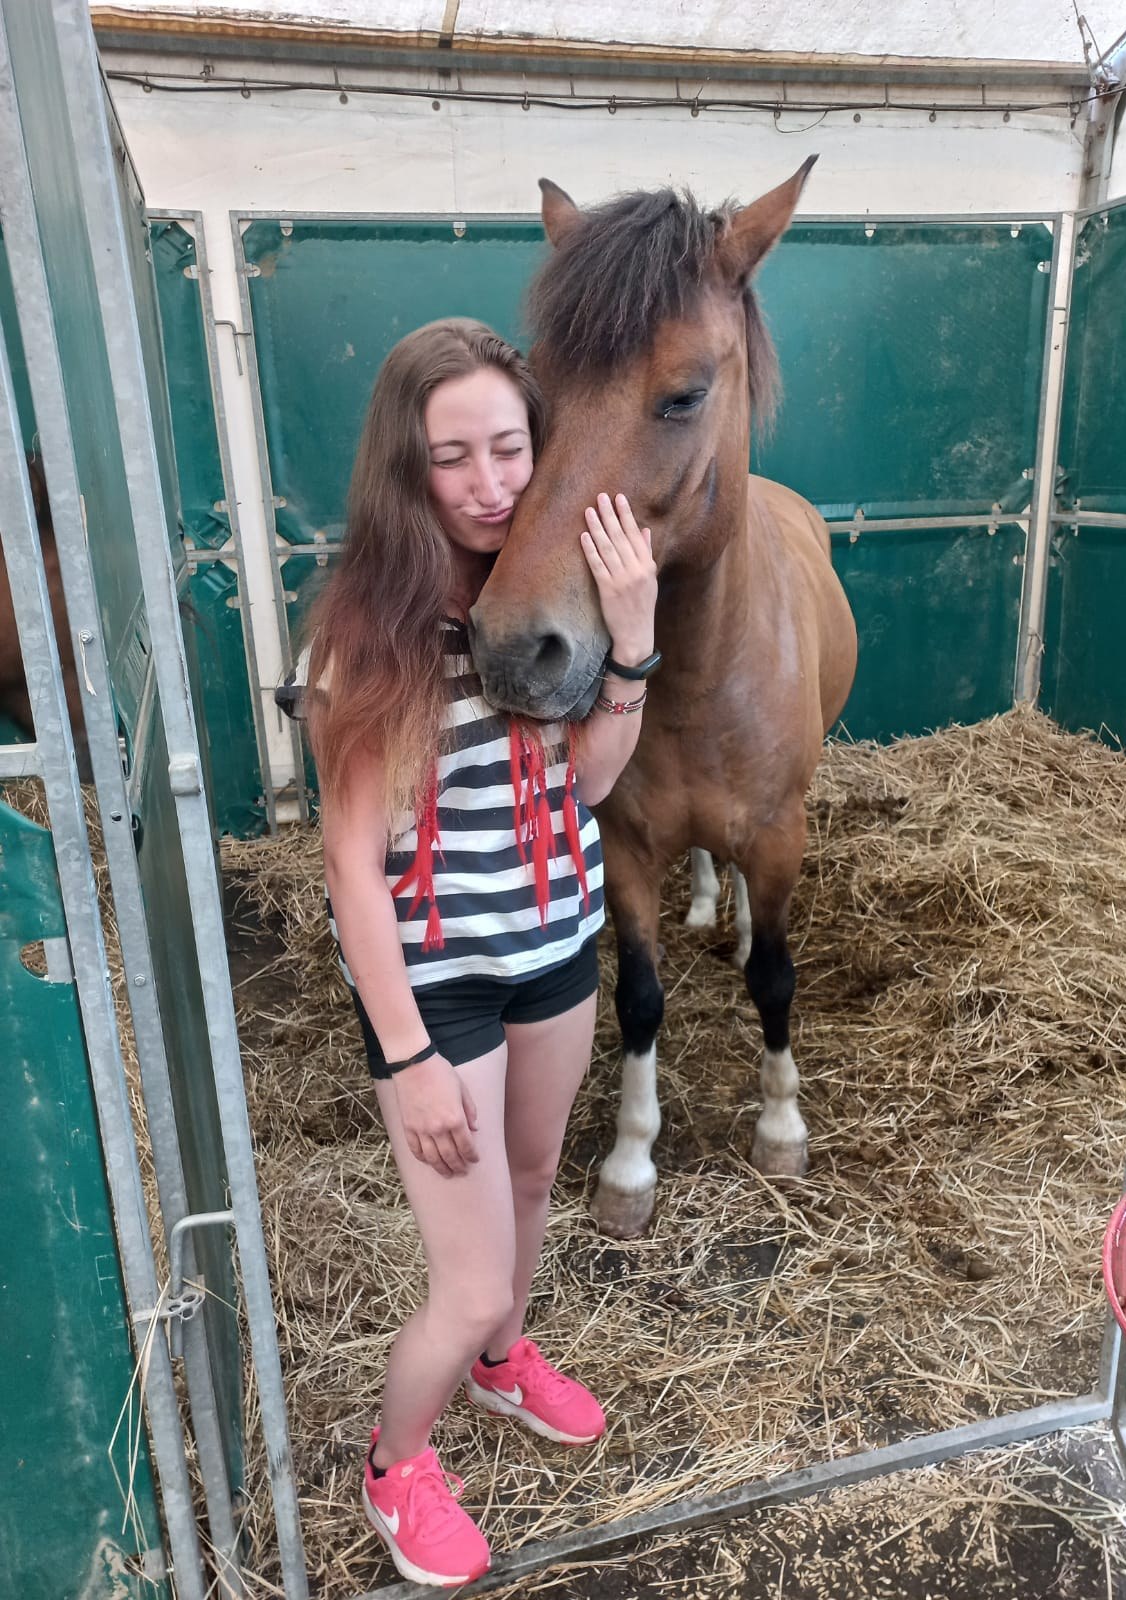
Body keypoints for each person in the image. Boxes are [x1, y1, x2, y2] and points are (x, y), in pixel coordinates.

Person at [300, 318, 657, 1588]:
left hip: (553, 948)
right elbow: (351, 864)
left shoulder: (539, 597)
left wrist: (632, 636)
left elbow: (585, 784)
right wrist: (406, 1058)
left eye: (511, 447)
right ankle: (396, 1462)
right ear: (407, 469)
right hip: (437, 987)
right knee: (464, 1280)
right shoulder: (367, 631)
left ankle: (505, 1365)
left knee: (535, 1176)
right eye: (452, 457)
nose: (490, 482)